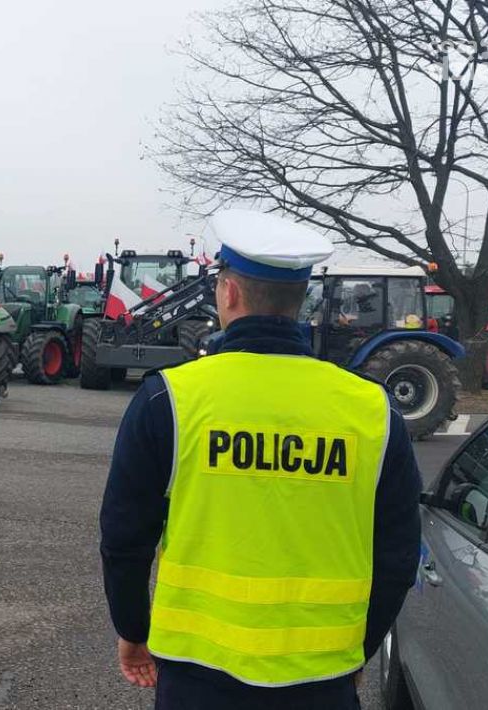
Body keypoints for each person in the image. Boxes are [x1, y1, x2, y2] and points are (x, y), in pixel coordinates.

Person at [99, 210, 421, 709]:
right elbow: (398, 558)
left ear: (227, 293)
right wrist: (357, 652)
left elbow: (124, 538)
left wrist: (132, 629)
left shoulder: (171, 399)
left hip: (195, 677)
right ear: (301, 301)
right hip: (322, 681)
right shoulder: (374, 411)